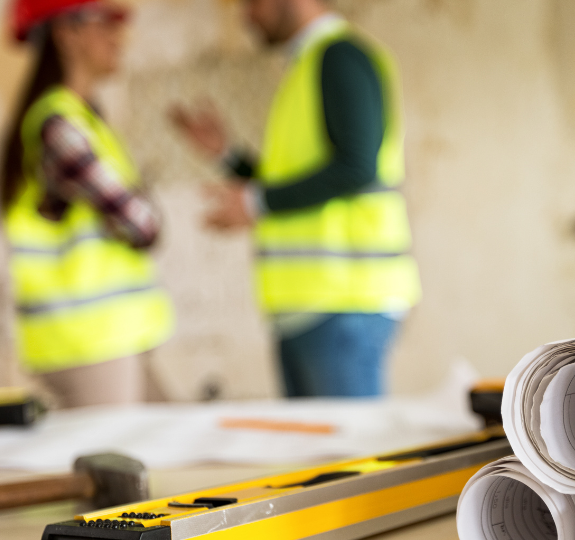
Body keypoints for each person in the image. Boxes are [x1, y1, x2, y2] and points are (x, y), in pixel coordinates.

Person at [171, 0, 420, 398]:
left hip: (344, 301)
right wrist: (227, 156)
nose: (246, 16)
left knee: (351, 455)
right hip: (312, 305)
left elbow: (357, 167)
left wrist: (254, 203)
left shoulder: (340, 58)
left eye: (252, 3)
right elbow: (297, 179)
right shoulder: (307, 65)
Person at [0, 0, 174, 407]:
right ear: (66, 32)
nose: (118, 37)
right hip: (88, 341)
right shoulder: (60, 125)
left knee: (175, 443)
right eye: (104, 23)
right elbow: (141, 224)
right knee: (118, 464)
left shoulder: (83, 117)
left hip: (110, 337)